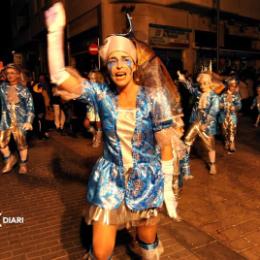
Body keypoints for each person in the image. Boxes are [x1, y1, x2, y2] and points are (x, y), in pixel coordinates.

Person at [45, 2, 178, 259]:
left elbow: (165, 143)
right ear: (106, 67)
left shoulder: (154, 97)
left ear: (134, 65)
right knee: (100, 250)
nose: (118, 66)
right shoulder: (101, 95)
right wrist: (55, 32)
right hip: (110, 180)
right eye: (112, 61)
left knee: (147, 246)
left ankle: (141, 244)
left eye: (125, 60)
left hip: (148, 178)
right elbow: (60, 77)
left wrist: (169, 189)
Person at [177, 71, 220, 175]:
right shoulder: (199, 93)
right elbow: (191, 88)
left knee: (210, 145)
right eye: (201, 83)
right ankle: (185, 165)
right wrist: (183, 80)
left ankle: (212, 165)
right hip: (195, 121)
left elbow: (214, 111)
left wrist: (206, 123)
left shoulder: (214, 97)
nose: (202, 86)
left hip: (207, 125)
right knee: (187, 141)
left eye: (204, 83)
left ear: (210, 83)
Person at [0, 64, 34, 174]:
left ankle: (23, 164)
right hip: (5, 120)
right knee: (1, 142)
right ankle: (9, 159)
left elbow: (30, 107)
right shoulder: (2, 87)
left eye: (12, 73)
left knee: (21, 144)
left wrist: (29, 121)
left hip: (20, 120)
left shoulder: (24, 90)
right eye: (8, 73)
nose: (9, 75)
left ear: (18, 75)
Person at [219, 78, 241, 153]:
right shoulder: (223, 95)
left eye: (235, 86)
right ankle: (226, 141)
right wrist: (220, 105)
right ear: (229, 86)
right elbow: (218, 104)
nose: (233, 88)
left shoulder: (237, 95)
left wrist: (235, 107)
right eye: (232, 86)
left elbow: (239, 105)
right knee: (224, 130)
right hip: (223, 116)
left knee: (232, 129)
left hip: (232, 116)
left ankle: (232, 143)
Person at [83, 70, 104, 148]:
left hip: (98, 106)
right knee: (86, 123)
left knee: (98, 123)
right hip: (91, 107)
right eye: (90, 78)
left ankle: (98, 139)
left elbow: (102, 97)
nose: (91, 80)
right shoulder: (88, 86)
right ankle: (94, 134)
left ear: (97, 78)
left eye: (93, 78)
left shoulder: (101, 86)